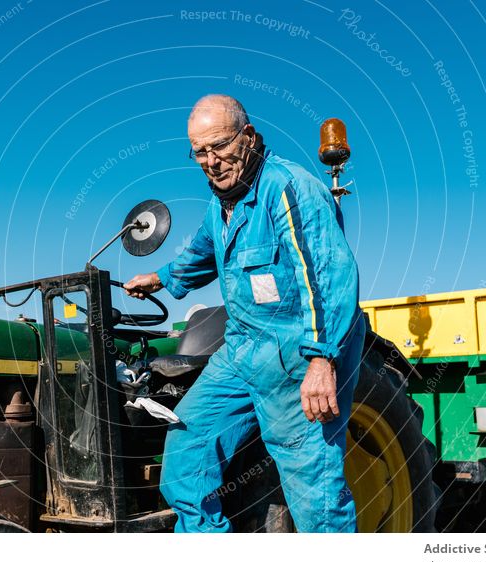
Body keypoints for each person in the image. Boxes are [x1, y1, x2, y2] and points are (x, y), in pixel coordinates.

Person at [124, 94, 365, 533]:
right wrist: (157, 279)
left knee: (315, 497)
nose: (211, 161)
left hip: (298, 355)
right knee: (185, 455)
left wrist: (320, 359)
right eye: (200, 151)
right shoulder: (222, 203)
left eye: (220, 146)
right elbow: (200, 252)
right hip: (242, 352)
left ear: (249, 137)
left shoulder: (289, 188)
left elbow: (328, 276)